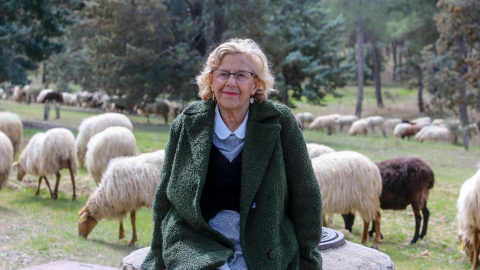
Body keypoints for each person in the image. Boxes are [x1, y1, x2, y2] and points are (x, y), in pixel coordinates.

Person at [142, 38, 323, 270]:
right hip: (197, 240)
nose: (230, 82)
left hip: (263, 240)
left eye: (241, 75)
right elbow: (165, 197)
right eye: (223, 74)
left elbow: (306, 194)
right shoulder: (187, 123)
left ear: (256, 84)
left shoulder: (280, 123)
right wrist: (156, 255)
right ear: (211, 80)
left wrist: (308, 258)